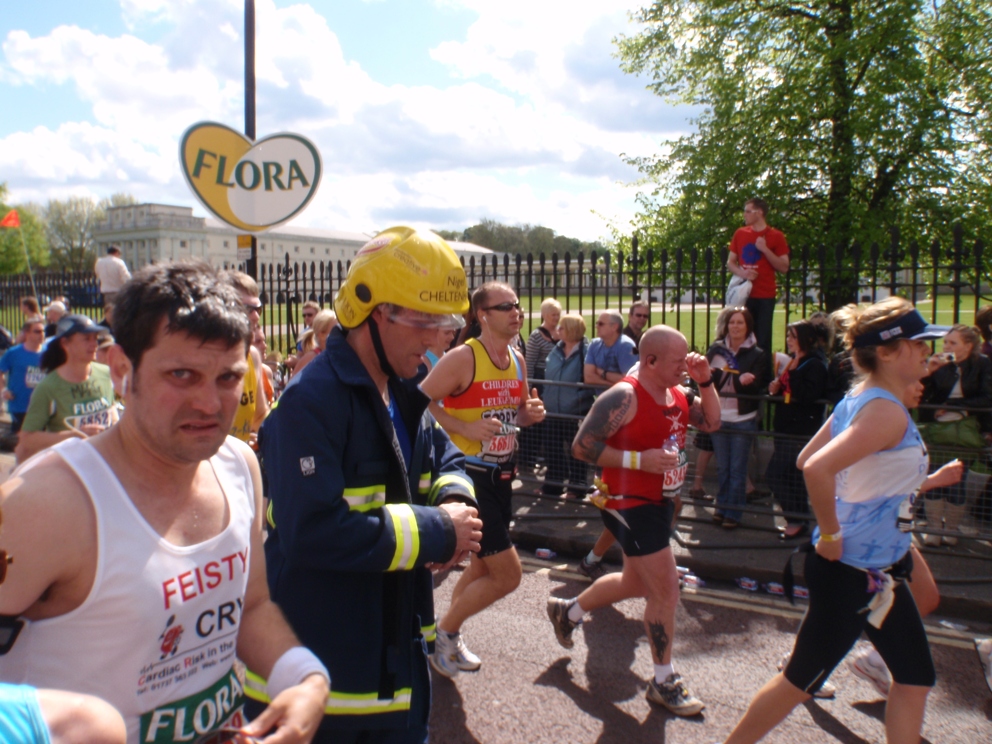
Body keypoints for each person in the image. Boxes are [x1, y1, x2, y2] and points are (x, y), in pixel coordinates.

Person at [0, 260, 329, 743]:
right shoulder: (49, 501)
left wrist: (304, 678)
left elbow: (251, 606)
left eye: (227, 378)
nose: (210, 403)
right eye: (181, 374)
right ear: (122, 369)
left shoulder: (239, 465)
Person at [259, 226, 483, 743]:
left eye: (444, 323)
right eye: (424, 321)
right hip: (332, 688)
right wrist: (437, 532)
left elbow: (442, 455)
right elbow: (313, 531)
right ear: (373, 312)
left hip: (393, 670)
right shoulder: (310, 403)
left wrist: (454, 500)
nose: (438, 339)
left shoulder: (400, 389)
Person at [724, 297, 962, 744]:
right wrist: (833, 531)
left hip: (876, 572)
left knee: (915, 677)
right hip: (851, 574)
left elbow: (807, 457)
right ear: (888, 353)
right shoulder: (886, 412)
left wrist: (861, 507)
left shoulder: (864, 397)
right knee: (798, 681)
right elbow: (815, 468)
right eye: (919, 343)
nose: (928, 351)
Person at [546, 326, 721, 716]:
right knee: (665, 592)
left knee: (634, 582)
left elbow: (711, 423)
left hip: (658, 501)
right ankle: (663, 681)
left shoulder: (676, 392)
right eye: (678, 362)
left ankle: (567, 611)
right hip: (628, 502)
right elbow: (581, 446)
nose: (684, 368)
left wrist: (706, 380)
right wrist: (638, 460)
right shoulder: (624, 396)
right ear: (650, 361)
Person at [421, 281, 546, 678]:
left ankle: (447, 639)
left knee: (480, 568)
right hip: (470, 475)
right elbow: (420, 398)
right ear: (482, 315)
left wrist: (530, 413)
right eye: (505, 306)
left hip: (502, 474)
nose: (516, 312)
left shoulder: (518, 359)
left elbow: (518, 413)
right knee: (508, 575)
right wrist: (464, 426)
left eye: (518, 306)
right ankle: (443, 634)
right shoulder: (463, 358)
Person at [918, 323, 992, 546]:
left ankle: (950, 530)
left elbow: (987, 397)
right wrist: (929, 372)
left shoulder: (982, 364)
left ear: (968, 345)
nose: (946, 346)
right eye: (945, 342)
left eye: (953, 342)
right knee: (934, 476)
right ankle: (933, 529)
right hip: (937, 430)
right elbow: (921, 396)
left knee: (957, 480)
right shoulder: (940, 364)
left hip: (965, 431)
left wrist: (953, 405)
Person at [15, 314, 116, 463]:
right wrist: (74, 435)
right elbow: (27, 438)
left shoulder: (106, 373)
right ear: (65, 343)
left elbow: (113, 413)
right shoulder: (48, 387)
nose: (94, 344)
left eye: (95, 338)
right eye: (86, 339)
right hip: (70, 469)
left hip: (107, 463)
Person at [766, 320, 829, 539]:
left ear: (806, 339)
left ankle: (795, 518)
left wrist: (791, 376)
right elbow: (788, 394)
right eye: (788, 336)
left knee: (774, 475)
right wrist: (776, 388)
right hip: (785, 425)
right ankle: (799, 519)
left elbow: (808, 396)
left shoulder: (814, 364)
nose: (789, 341)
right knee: (792, 476)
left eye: (793, 336)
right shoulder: (794, 361)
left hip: (800, 429)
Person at [706, 306, 768, 529]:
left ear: (747, 326)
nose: (735, 327)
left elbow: (760, 388)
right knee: (723, 467)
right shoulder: (716, 350)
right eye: (732, 322)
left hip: (743, 418)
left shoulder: (757, 354)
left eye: (740, 323)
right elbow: (705, 381)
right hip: (719, 416)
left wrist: (747, 383)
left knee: (737, 468)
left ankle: (734, 511)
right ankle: (721, 506)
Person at [726, 197, 789, 364]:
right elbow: (730, 262)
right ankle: (739, 373)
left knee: (762, 339)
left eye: (748, 211)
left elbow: (784, 266)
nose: (745, 215)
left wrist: (765, 250)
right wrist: (743, 273)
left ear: (759, 212)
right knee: (740, 336)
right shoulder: (740, 233)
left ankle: (762, 380)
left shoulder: (776, 236)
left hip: (764, 295)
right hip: (743, 295)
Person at [540, 313, 594, 499]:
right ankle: (552, 487)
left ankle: (577, 488)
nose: (557, 330)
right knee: (552, 448)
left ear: (571, 330)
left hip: (576, 411)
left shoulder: (586, 352)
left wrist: (578, 397)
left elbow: (590, 381)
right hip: (553, 410)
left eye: (562, 327)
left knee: (577, 451)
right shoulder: (556, 349)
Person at [222, 271, 269, 444]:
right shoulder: (204, 358)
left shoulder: (253, 356)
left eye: (258, 308)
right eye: (246, 308)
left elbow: (260, 416)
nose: (255, 316)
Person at [521, 298, 561, 469]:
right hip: (539, 380)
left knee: (548, 421)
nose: (557, 317)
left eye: (558, 314)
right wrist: (528, 388)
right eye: (553, 314)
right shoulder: (537, 335)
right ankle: (528, 458)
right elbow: (529, 362)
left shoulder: (561, 333)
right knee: (535, 422)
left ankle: (539, 456)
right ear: (544, 315)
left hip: (554, 381)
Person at [0, 319, 46, 436]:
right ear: (27, 333)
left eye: (43, 331)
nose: (41, 334)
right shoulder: (14, 353)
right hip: (20, 404)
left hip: (43, 405)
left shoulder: (49, 353)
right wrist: (4, 390)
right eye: (37, 331)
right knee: (22, 443)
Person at [584, 310, 637, 386]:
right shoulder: (594, 344)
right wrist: (612, 386)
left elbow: (629, 379)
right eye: (597, 323)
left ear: (614, 327)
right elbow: (589, 377)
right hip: (603, 396)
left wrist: (602, 373)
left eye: (601, 324)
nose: (596, 326)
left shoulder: (626, 346)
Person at [290, 309, 335, 378]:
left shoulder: (334, 354)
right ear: (322, 335)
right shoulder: (312, 357)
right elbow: (293, 385)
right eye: (335, 330)